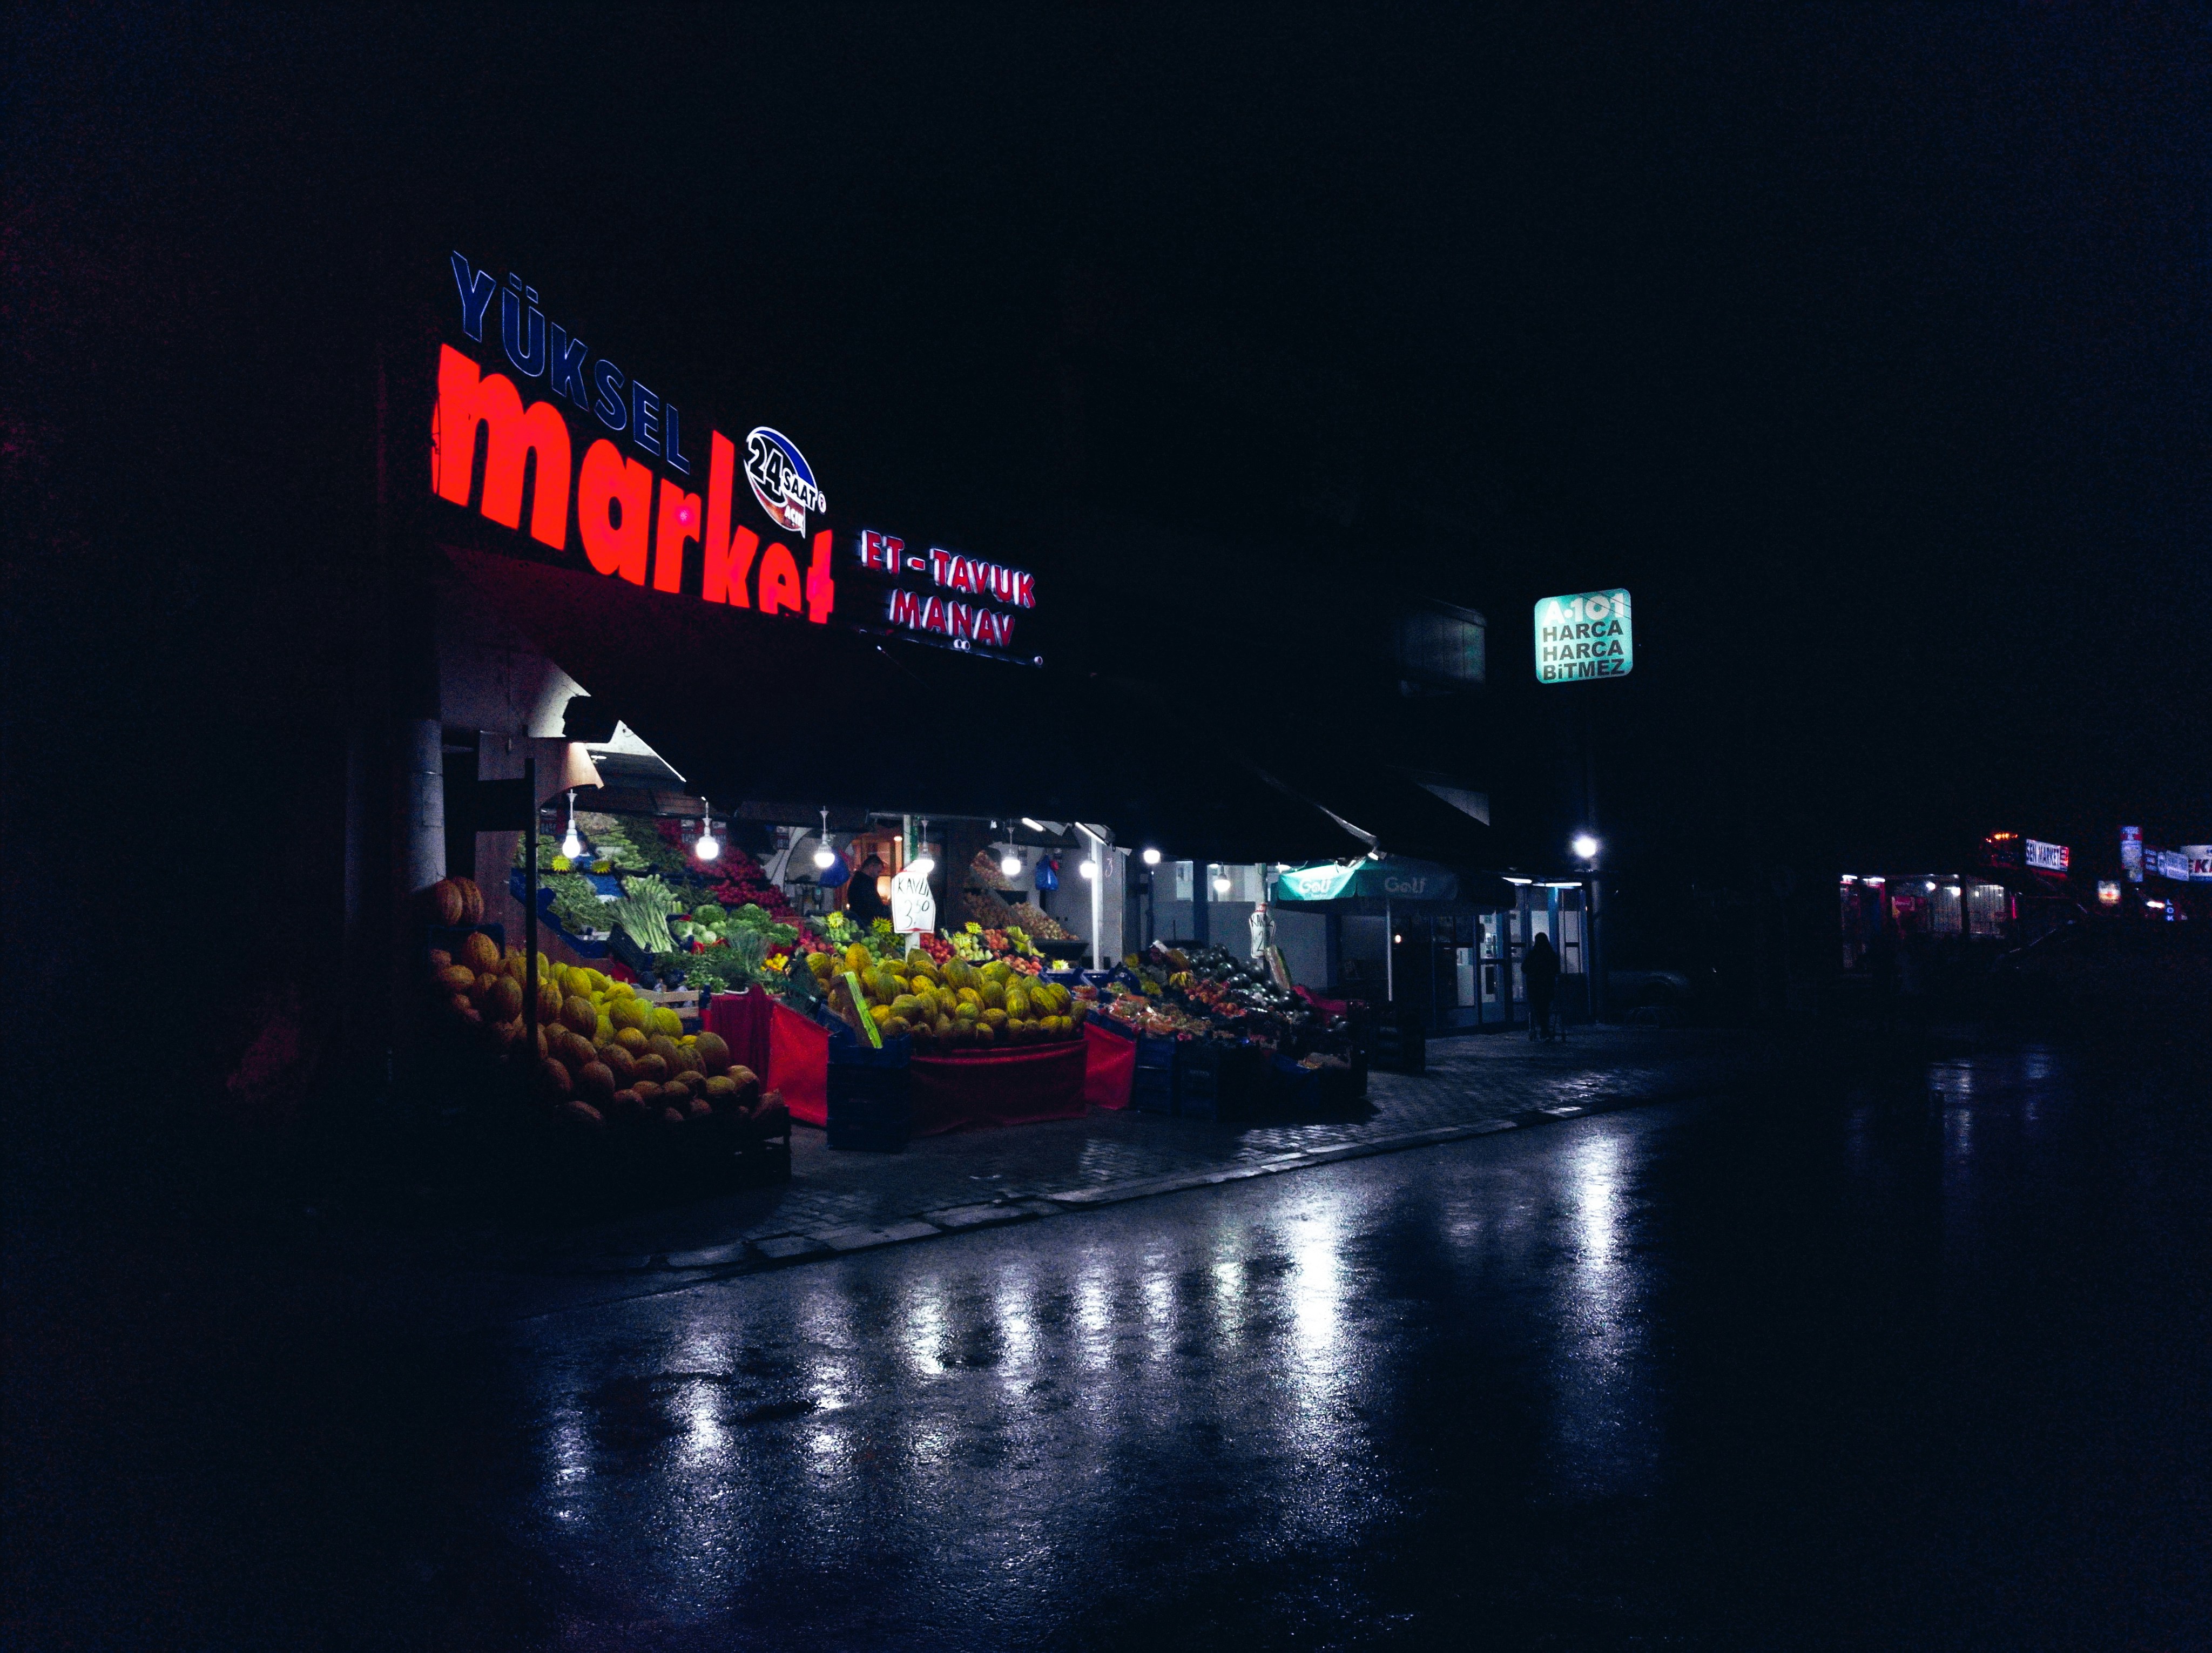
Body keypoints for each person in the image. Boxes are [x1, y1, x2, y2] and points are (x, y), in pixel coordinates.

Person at [1524, 931, 1561, 1042]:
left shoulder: (1533, 954)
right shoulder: (1551, 954)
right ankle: (1545, 1030)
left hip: (1535, 986)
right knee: (1545, 1007)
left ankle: (1543, 1029)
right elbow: (1557, 969)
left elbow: (1524, 968)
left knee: (1538, 1008)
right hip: (1548, 986)